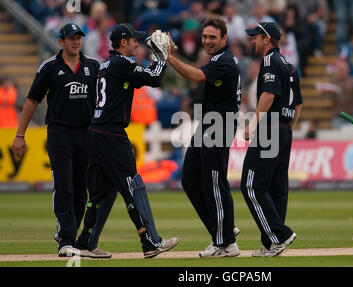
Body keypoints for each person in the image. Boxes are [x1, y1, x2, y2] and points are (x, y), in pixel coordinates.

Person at [74, 23, 179, 259]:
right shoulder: (124, 63)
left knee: (101, 193)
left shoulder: (106, 65)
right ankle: (151, 240)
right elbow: (153, 79)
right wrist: (161, 57)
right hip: (111, 134)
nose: (137, 44)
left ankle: (85, 242)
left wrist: (157, 58)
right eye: (134, 41)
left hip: (97, 132)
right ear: (123, 43)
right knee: (133, 185)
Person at [11, 23, 99, 257]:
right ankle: (66, 240)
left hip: (86, 132)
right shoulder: (50, 67)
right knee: (64, 186)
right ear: (61, 41)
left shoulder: (93, 66)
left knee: (82, 190)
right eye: (71, 38)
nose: (75, 42)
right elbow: (32, 101)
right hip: (60, 132)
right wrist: (20, 135)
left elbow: (102, 101)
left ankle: (67, 234)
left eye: (79, 37)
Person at [166, 17, 241, 257]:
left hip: (219, 125)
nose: (207, 41)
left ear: (224, 39)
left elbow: (196, 76)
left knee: (215, 183)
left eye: (212, 37)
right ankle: (223, 228)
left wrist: (168, 57)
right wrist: (174, 53)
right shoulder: (218, 59)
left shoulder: (225, 61)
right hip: (208, 124)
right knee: (189, 178)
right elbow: (198, 72)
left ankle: (226, 243)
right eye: (205, 37)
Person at [241, 22, 302, 257]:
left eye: (255, 37)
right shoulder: (290, 65)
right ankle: (270, 243)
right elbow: (298, 104)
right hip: (285, 128)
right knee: (276, 188)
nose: (252, 41)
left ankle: (279, 234)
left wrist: (254, 124)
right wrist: (287, 129)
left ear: (266, 39)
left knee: (251, 185)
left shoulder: (268, 61)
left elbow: (268, 94)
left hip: (270, 128)